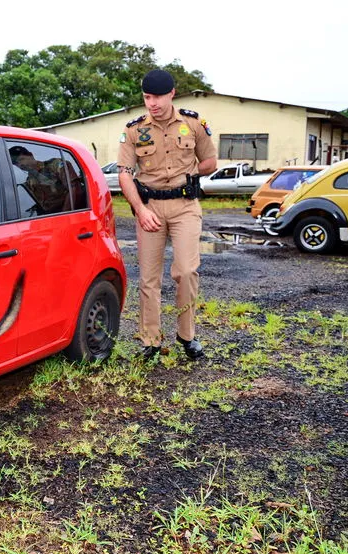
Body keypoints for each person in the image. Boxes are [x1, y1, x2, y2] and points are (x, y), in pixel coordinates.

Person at [117, 69, 218, 360]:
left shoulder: (193, 123)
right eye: (147, 97)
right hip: (149, 207)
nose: (153, 103)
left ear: (172, 94)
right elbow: (124, 173)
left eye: (158, 97)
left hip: (185, 206)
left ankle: (187, 335)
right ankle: (150, 341)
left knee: (186, 271)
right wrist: (140, 210)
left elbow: (210, 161)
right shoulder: (134, 130)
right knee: (149, 278)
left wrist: (190, 172)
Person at [9, 145, 78, 213]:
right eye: (16, 163)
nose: (20, 164)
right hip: (47, 216)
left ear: (31, 155)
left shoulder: (55, 165)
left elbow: (75, 189)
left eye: (21, 159)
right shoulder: (29, 181)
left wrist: (65, 214)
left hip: (68, 213)